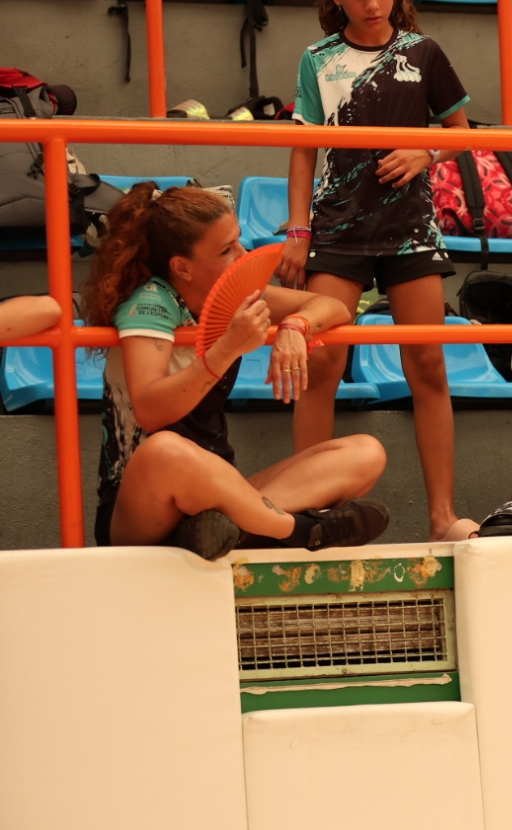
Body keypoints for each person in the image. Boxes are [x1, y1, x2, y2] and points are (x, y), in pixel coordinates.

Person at [278, 0, 472, 544]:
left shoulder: (425, 52)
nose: (371, 4)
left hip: (411, 230)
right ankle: (306, 516)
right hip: (339, 229)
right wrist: (299, 230)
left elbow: (462, 133)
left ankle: (442, 519)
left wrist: (425, 150)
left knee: (428, 364)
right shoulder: (317, 59)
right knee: (321, 362)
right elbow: (304, 150)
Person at [83, 184, 389, 559]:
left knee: (365, 453)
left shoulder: (233, 294)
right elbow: (150, 409)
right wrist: (229, 347)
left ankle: (220, 532)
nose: (243, 256)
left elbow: (333, 306)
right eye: (226, 250)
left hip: (218, 498)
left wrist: (296, 326)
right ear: (182, 267)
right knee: (164, 451)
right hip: (142, 505)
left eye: (239, 241)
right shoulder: (149, 302)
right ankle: (299, 530)